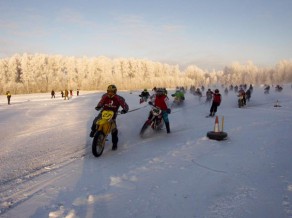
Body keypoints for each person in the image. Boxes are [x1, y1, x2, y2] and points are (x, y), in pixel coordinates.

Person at [89, 85, 129, 151]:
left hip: (112, 114)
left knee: (114, 130)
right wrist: (98, 106)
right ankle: (93, 131)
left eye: (112, 92)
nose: (110, 93)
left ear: (115, 91)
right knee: (95, 121)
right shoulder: (105, 96)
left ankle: (115, 144)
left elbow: (125, 105)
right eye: (109, 91)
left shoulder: (119, 98)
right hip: (103, 112)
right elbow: (101, 102)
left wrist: (125, 110)